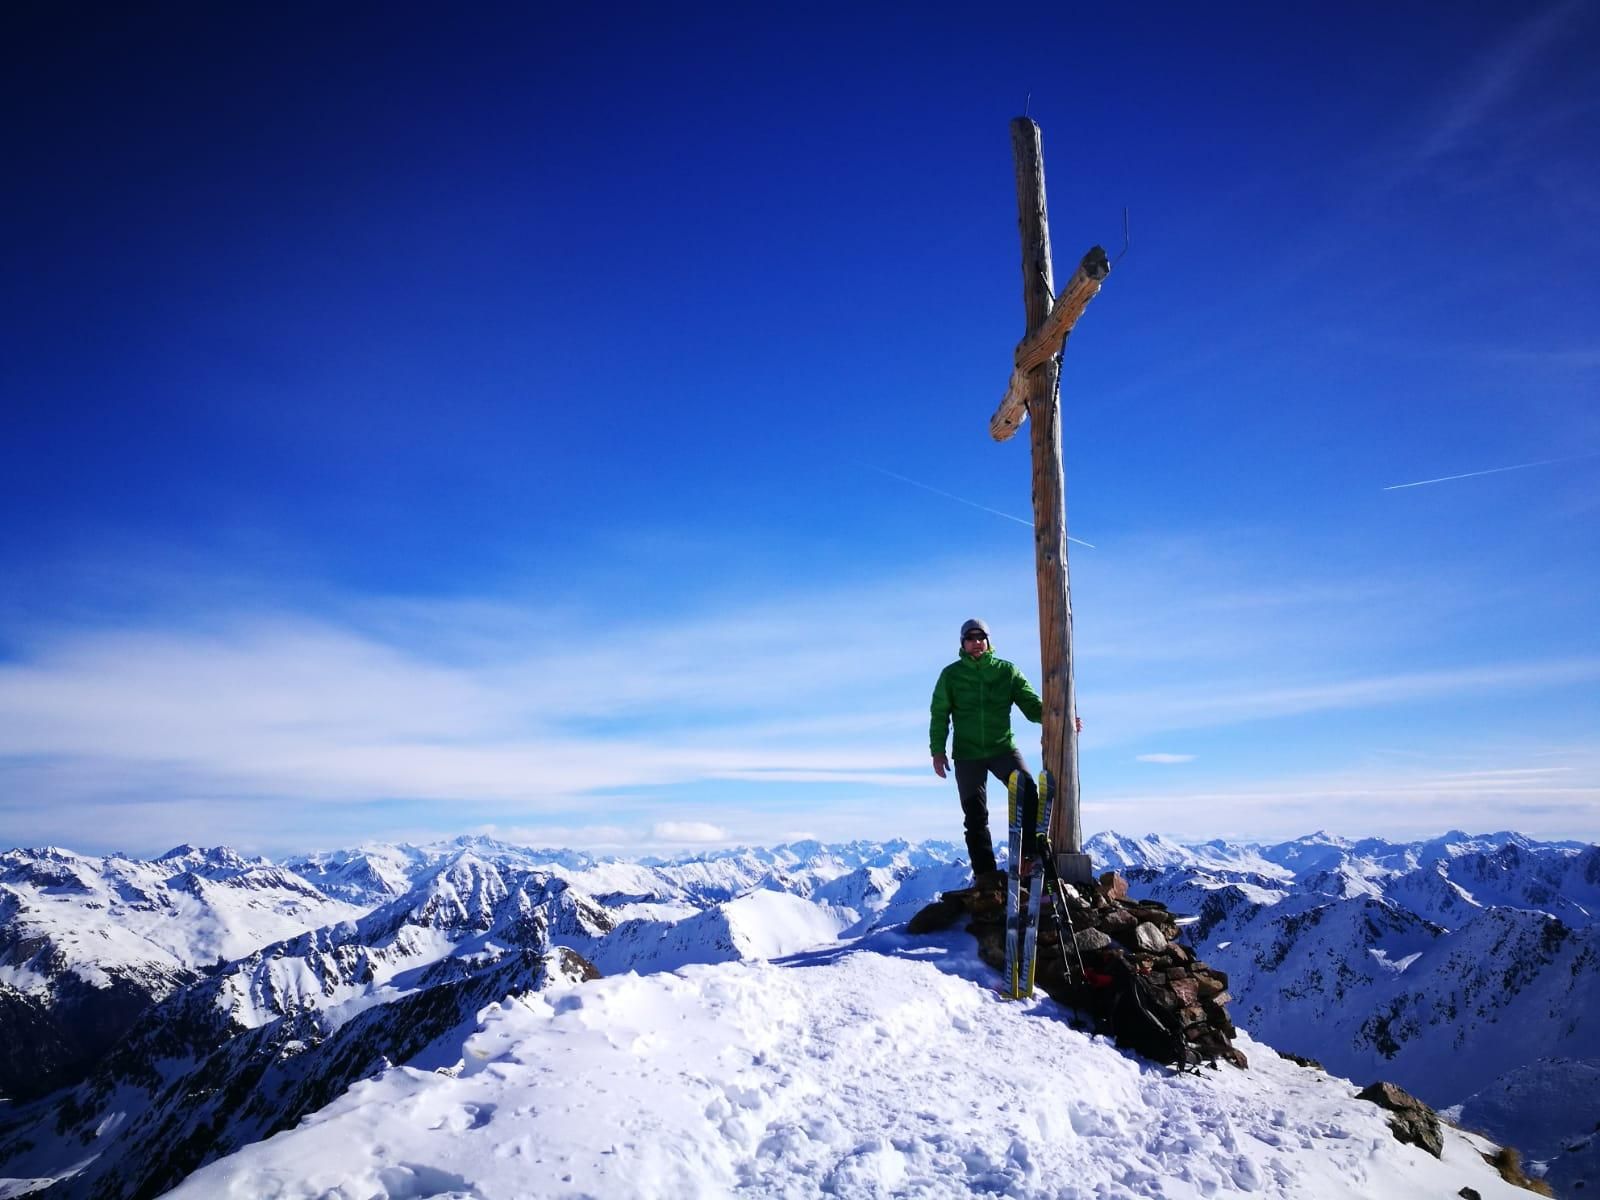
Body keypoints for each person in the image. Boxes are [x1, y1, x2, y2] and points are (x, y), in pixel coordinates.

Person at [929, 618, 1043, 881]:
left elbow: (1032, 705)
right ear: (963, 644)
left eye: (981, 638)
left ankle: (1028, 856)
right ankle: (986, 877)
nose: (976, 643)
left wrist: (1061, 718)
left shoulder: (1007, 671)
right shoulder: (951, 675)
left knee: (1028, 792)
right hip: (967, 754)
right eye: (970, 638)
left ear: (989, 641)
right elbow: (939, 715)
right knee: (975, 816)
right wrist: (938, 751)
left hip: (1003, 748)